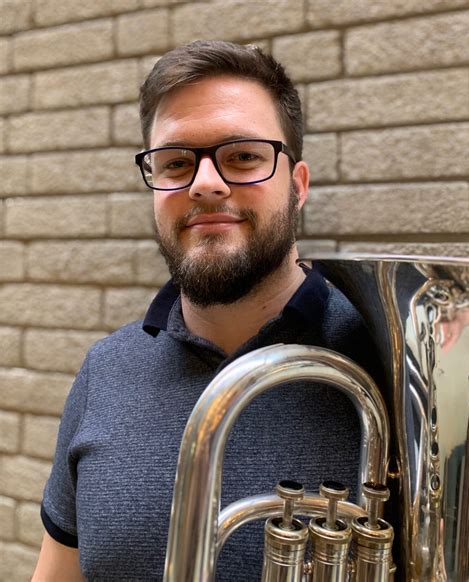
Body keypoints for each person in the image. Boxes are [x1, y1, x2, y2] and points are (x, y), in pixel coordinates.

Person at [32, 40, 375, 581]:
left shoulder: (389, 368)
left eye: (243, 156)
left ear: (298, 185)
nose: (205, 183)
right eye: (175, 163)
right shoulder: (106, 370)